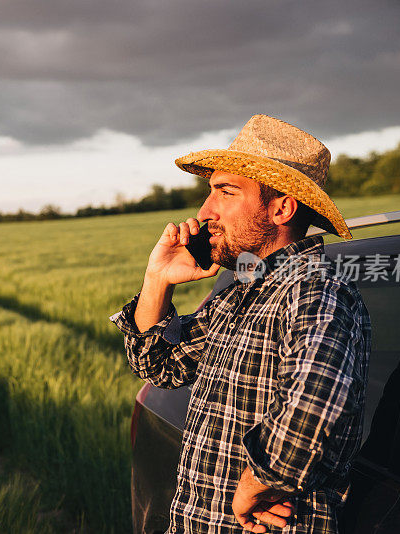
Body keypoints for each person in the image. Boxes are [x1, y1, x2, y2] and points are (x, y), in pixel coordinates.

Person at [111, 114, 371, 533]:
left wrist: (260, 481)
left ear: (281, 208)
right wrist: (156, 279)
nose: (204, 211)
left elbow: (316, 405)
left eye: (224, 192)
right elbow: (159, 366)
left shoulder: (314, 290)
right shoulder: (241, 292)